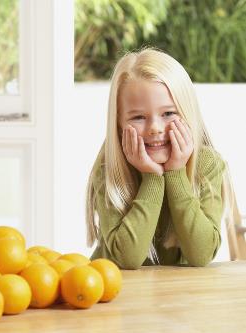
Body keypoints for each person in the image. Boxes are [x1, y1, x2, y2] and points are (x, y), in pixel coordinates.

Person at [85, 47, 235, 269]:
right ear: (118, 123)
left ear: (188, 113)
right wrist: (152, 177)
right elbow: (127, 259)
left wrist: (175, 173)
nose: (155, 128)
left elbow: (201, 254)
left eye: (168, 113)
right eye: (138, 117)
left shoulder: (207, 164)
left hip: (177, 294)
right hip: (116, 293)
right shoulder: (112, 166)